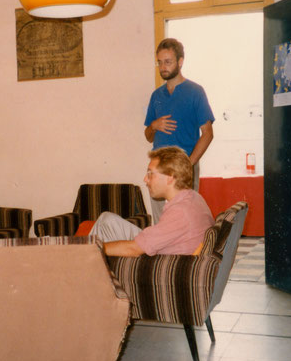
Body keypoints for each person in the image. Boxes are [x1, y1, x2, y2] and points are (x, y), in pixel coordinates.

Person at [89, 146, 214, 257]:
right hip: (165, 247)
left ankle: (81, 266)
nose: (145, 179)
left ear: (170, 177)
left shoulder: (180, 211)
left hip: (157, 261)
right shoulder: (194, 197)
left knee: (88, 250)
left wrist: (94, 249)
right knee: (107, 220)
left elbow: (133, 249)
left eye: (150, 174)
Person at [144, 38, 215, 224]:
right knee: (161, 222)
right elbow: (147, 136)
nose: (163, 67)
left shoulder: (195, 91)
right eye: (159, 62)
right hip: (159, 168)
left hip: (184, 165)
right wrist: (154, 126)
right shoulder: (156, 96)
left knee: (185, 220)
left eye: (168, 62)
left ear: (180, 61)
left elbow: (208, 133)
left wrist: (189, 164)